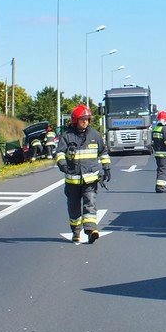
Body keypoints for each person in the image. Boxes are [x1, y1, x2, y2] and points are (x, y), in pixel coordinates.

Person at [55, 105, 111, 244]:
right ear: (75, 120)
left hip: (90, 179)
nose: (85, 122)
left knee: (90, 204)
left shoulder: (95, 135)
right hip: (72, 181)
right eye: (82, 119)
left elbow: (103, 151)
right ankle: (76, 231)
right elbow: (59, 153)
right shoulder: (67, 136)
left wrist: (107, 167)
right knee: (73, 208)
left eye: (87, 119)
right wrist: (62, 164)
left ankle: (91, 230)